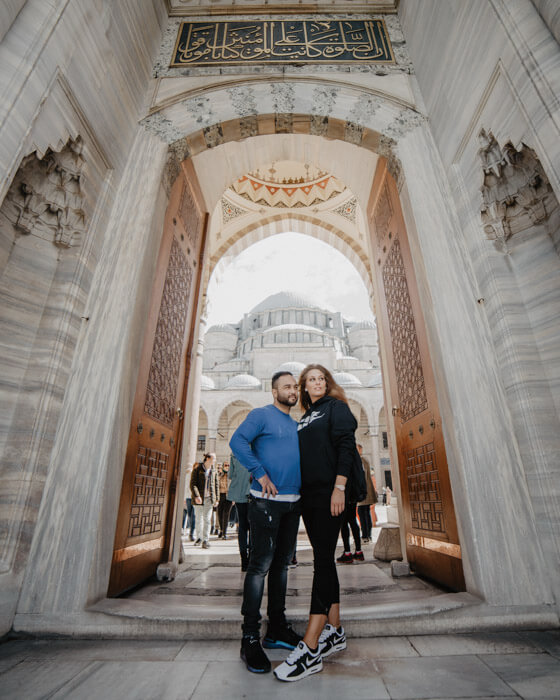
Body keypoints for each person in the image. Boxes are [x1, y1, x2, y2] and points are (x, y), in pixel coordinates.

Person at [274, 364, 357, 682]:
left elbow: (346, 448)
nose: (317, 382)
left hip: (329, 493)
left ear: (328, 383)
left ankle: (310, 648)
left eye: (321, 378)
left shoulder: (336, 408)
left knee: (322, 562)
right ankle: (335, 631)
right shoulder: (307, 416)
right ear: (304, 387)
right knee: (325, 560)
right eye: (311, 379)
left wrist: (339, 487)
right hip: (309, 495)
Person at [230, 371, 302, 674]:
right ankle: (250, 635)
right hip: (265, 501)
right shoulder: (262, 415)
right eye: (287, 386)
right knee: (260, 565)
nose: (293, 390)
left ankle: (276, 629)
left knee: (282, 565)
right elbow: (237, 441)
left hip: (291, 503)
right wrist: (259, 472)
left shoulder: (295, 424)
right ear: (274, 392)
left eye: (295, 386)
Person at [227, 453, 251, 571]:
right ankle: (251, 558)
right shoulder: (257, 449)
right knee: (252, 526)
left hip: (238, 492)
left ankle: (244, 560)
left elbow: (230, 474)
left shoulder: (235, 452)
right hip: (252, 492)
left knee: (242, 526)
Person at [190, 453, 218, 548]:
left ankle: (205, 540)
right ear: (208, 458)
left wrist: (216, 499)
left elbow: (216, 485)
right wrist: (197, 496)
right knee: (199, 519)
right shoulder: (197, 469)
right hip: (199, 499)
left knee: (207, 519)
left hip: (209, 499)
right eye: (213, 458)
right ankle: (199, 538)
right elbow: (193, 484)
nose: (215, 460)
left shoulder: (214, 470)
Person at [357, 444, 378, 543]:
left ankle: (365, 536)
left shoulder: (360, 461)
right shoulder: (364, 460)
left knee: (363, 513)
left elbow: (362, 477)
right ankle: (368, 535)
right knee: (366, 513)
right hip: (367, 492)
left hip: (363, 492)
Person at [216, 460, 232, 539]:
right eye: (225, 465)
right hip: (220, 495)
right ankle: (221, 530)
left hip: (228, 496)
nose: (227, 466)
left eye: (228, 465)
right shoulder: (219, 474)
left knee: (226, 514)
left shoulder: (231, 475)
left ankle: (224, 533)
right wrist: (221, 473)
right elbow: (216, 482)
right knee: (219, 513)